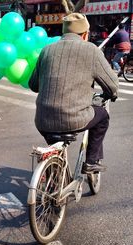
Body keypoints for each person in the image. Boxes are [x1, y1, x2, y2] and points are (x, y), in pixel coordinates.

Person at [29, 13, 119, 174]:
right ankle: (91, 162)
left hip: (43, 120)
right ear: (85, 34)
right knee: (103, 116)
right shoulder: (91, 50)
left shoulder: (47, 50)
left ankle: (53, 177)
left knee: (53, 145)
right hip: (73, 119)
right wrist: (111, 93)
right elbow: (112, 84)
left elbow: (33, 85)